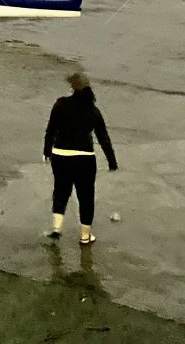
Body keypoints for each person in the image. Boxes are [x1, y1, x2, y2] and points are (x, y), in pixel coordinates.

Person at [44, 72, 118, 245]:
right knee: (86, 197)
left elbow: (51, 130)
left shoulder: (60, 104)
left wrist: (47, 151)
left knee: (61, 191)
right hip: (84, 159)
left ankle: (56, 229)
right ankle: (85, 236)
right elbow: (103, 137)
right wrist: (111, 160)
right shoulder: (93, 111)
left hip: (61, 155)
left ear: (72, 88)